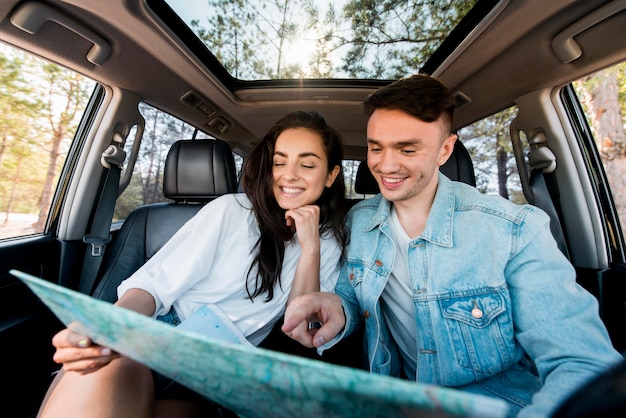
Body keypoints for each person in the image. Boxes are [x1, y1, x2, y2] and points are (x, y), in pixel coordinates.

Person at [282, 75, 624, 418]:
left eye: (407, 149)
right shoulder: (359, 222)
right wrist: (336, 308)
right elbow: (353, 302)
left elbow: (581, 363)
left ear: (445, 149)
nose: (385, 166)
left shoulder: (514, 230)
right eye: (376, 147)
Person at [38, 110, 348, 418]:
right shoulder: (232, 211)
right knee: (103, 375)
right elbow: (152, 287)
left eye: (307, 164)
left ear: (331, 175)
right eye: (279, 162)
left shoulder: (329, 243)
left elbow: (301, 328)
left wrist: (310, 248)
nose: (289, 175)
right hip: (163, 335)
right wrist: (108, 327)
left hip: (214, 373)